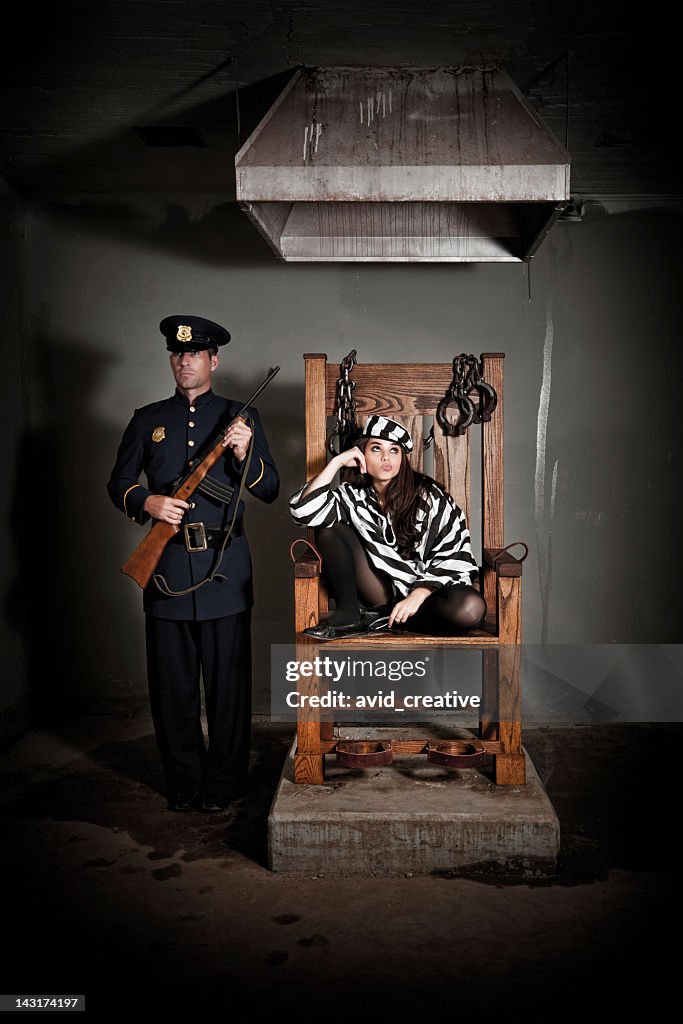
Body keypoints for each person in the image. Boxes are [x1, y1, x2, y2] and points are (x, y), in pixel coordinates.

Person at [108, 315, 279, 812]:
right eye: (179, 354)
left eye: (197, 354)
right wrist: (147, 502)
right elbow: (117, 483)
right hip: (165, 567)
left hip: (225, 569)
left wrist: (246, 451)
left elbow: (269, 489)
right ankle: (184, 783)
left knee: (228, 689)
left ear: (213, 360)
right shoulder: (146, 419)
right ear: (172, 359)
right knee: (172, 689)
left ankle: (224, 784)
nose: (186, 361)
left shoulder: (240, 418)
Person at [289, 414, 485, 639]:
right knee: (328, 527)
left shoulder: (429, 497)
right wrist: (336, 463)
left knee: (470, 607)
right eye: (376, 449)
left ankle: (382, 620)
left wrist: (419, 593)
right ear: (361, 453)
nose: (385, 457)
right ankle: (350, 614)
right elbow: (303, 513)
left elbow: (456, 552)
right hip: (380, 591)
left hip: (429, 593)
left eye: (394, 450)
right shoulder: (352, 496)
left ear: (402, 458)